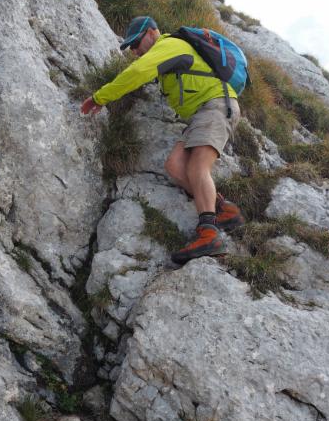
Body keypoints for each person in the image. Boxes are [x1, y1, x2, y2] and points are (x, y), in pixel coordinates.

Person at [80, 15, 245, 265]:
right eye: (131, 48)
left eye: (136, 44)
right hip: (203, 113)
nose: (135, 52)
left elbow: (139, 71)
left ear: (151, 32)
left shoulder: (170, 45)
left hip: (216, 106)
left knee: (198, 167)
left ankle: (209, 234)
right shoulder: (167, 52)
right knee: (175, 166)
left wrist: (100, 97)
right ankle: (225, 210)